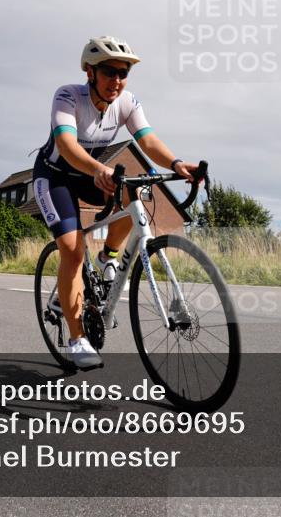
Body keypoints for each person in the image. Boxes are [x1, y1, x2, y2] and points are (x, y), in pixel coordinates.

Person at [33, 36, 199, 369]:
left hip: (91, 174)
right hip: (54, 176)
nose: (117, 80)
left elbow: (148, 140)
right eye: (110, 72)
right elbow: (66, 145)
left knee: (133, 194)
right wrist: (98, 169)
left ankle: (108, 256)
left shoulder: (127, 102)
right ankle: (77, 340)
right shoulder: (68, 96)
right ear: (90, 72)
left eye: (124, 73)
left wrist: (177, 164)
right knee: (72, 250)